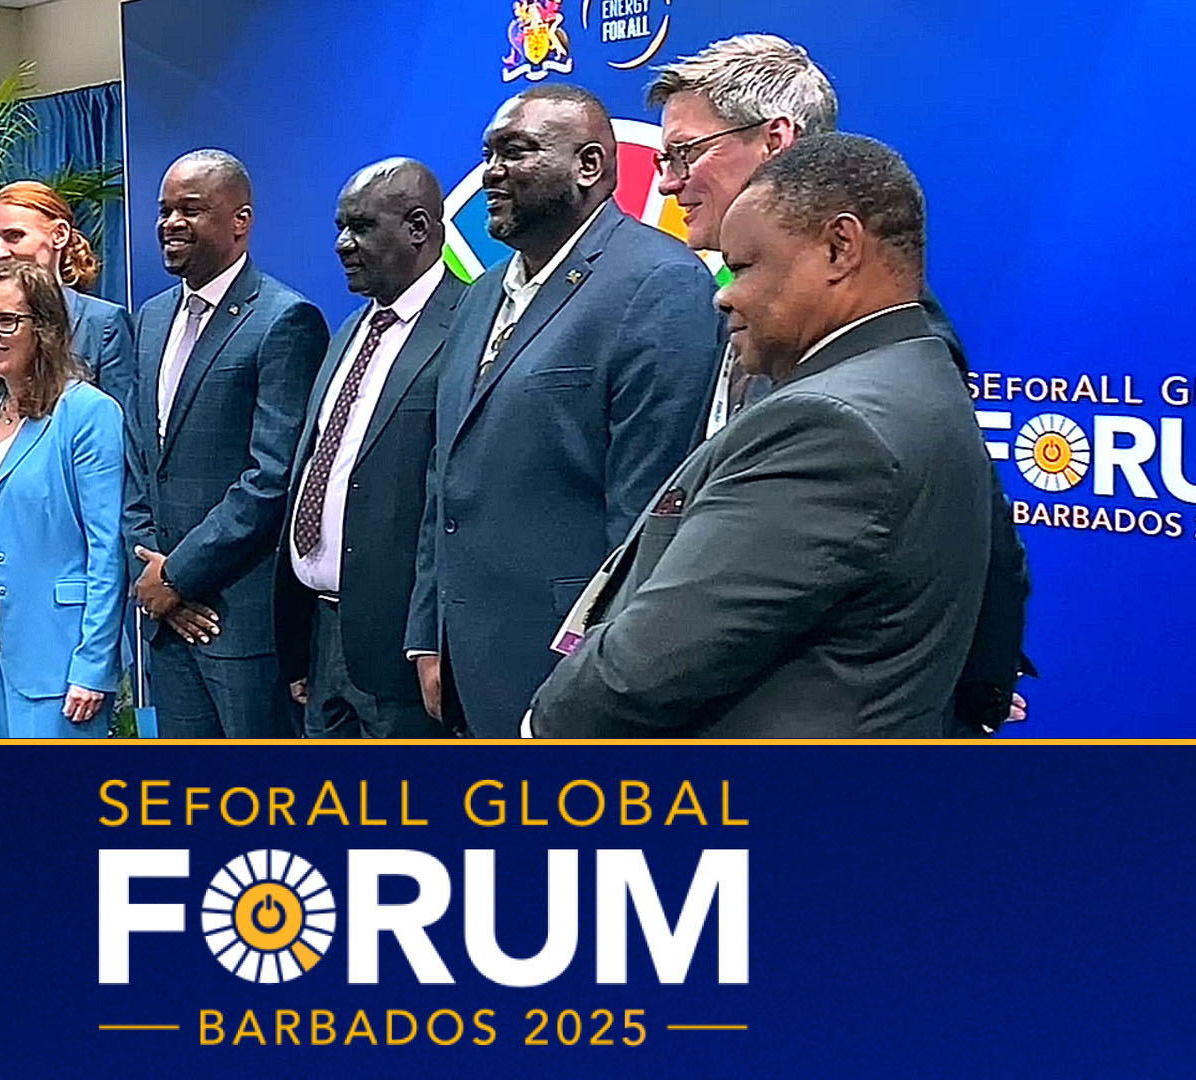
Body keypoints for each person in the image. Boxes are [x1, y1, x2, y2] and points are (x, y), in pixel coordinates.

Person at [529, 134, 995, 736]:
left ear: (839, 249)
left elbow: (649, 663)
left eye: (745, 266)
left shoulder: (830, 428)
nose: (724, 294)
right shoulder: (920, 373)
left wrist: (542, 725)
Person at [646, 33, 1032, 732]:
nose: (668, 182)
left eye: (685, 153)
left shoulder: (883, 336)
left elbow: (975, 516)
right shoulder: (718, 298)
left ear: (775, 141)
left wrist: (971, 682)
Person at [404, 85, 724, 737]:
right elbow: (447, 473)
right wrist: (429, 634)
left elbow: (646, 517)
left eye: (515, 152)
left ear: (588, 167)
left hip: (572, 675)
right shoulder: (481, 293)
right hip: (467, 663)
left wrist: (602, 674)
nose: (492, 171)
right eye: (488, 154)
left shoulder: (659, 283)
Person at [123, 149, 327, 738]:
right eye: (164, 211)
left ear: (241, 220)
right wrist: (154, 575)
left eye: (191, 209)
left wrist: (180, 574)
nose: (170, 224)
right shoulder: (153, 317)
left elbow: (272, 477)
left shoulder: (284, 320)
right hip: (166, 616)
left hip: (235, 618)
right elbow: (141, 459)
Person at [273, 159, 465, 738]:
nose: (342, 245)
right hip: (323, 638)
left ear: (417, 228)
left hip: (403, 651)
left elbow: (449, 495)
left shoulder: (470, 324)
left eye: (360, 227)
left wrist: (428, 640)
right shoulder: (351, 329)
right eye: (339, 226)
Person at [0, 261, 126, 738]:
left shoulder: (88, 415)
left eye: (6, 321)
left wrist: (93, 664)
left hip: (53, 654)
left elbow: (106, 551)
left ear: (47, 326)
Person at [0, 180, 134, 408]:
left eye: (14, 236)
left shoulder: (102, 323)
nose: (0, 252)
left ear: (59, 235)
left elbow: (120, 423)